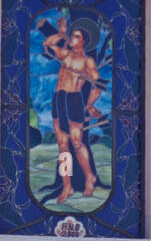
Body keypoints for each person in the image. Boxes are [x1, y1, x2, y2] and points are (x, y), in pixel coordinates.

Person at [41, 18, 104, 201]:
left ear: (84, 41)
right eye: (72, 36)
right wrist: (61, 33)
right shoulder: (65, 55)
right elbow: (47, 45)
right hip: (58, 99)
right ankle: (67, 186)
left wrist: (90, 104)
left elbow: (97, 84)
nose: (73, 39)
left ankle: (89, 177)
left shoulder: (87, 61)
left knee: (76, 143)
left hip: (74, 100)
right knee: (63, 146)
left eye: (76, 36)